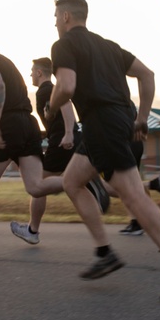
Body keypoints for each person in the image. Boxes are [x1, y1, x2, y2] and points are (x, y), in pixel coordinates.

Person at [45, 0, 160, 303]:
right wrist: (141, 118)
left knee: (132, 194)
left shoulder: (63, 46)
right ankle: (104, 252)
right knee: (71, 180)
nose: (54, 23)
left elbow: (66, 86)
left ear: (65, 17)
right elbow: (147, 74)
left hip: (102, 122)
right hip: (114, 120)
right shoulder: (108, 46)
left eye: (54, 17)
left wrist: (51, 107)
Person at [0, 27, 67, 263]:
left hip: (9, 125)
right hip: (28, 123)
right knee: (36, 186)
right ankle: (77, 182)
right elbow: (13, 96)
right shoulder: (6, 61)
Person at [8, 57, 110, 245]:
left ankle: (32, 230)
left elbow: (66, 104)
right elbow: (55, 119)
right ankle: (105, 189)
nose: (30, 74)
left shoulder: (46, 89)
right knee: (44, 185)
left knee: (38, 185)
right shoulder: (48, 91)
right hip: (68, 138)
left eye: (32, 71)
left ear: (39, 73)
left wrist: (68, 133)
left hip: (64, 142)